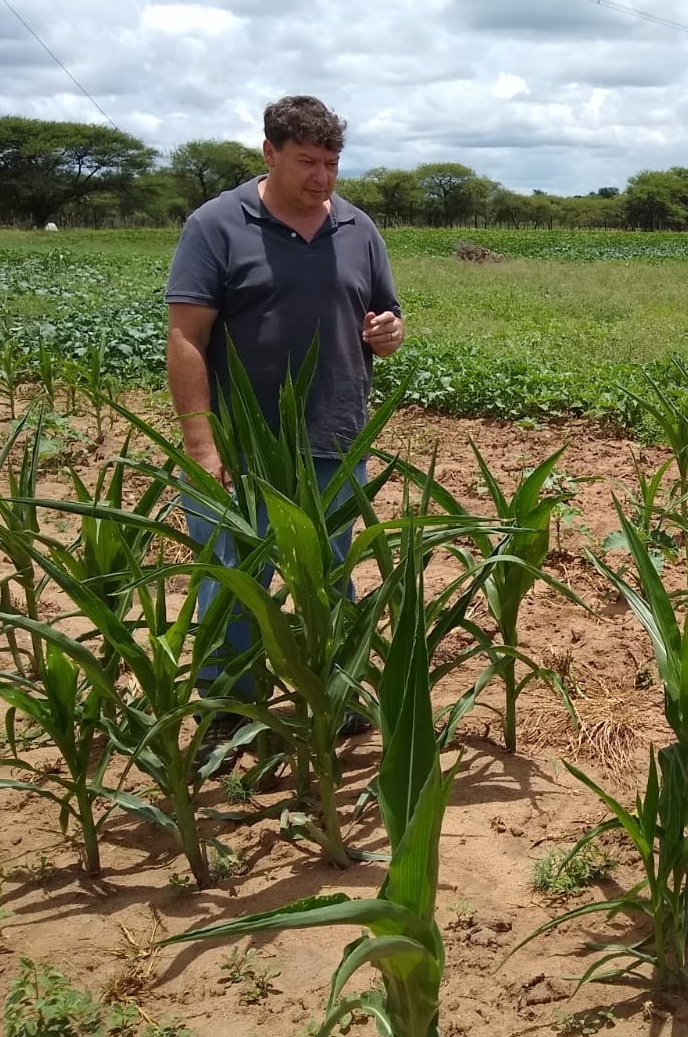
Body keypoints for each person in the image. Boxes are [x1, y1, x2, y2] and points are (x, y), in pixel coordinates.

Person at [165, 95, 404, 751]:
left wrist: (388, 332)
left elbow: (385, 317)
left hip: (333, 435)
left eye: (331, 163)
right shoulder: (216, 226)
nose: (321, 178)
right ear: (269, 153)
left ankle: (335, 693)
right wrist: (200, 443)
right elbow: (186, 337)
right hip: (241, 448)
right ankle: (230, 712)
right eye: (306, 162)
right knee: (234, 578)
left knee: (330, 572)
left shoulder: (358, 228)